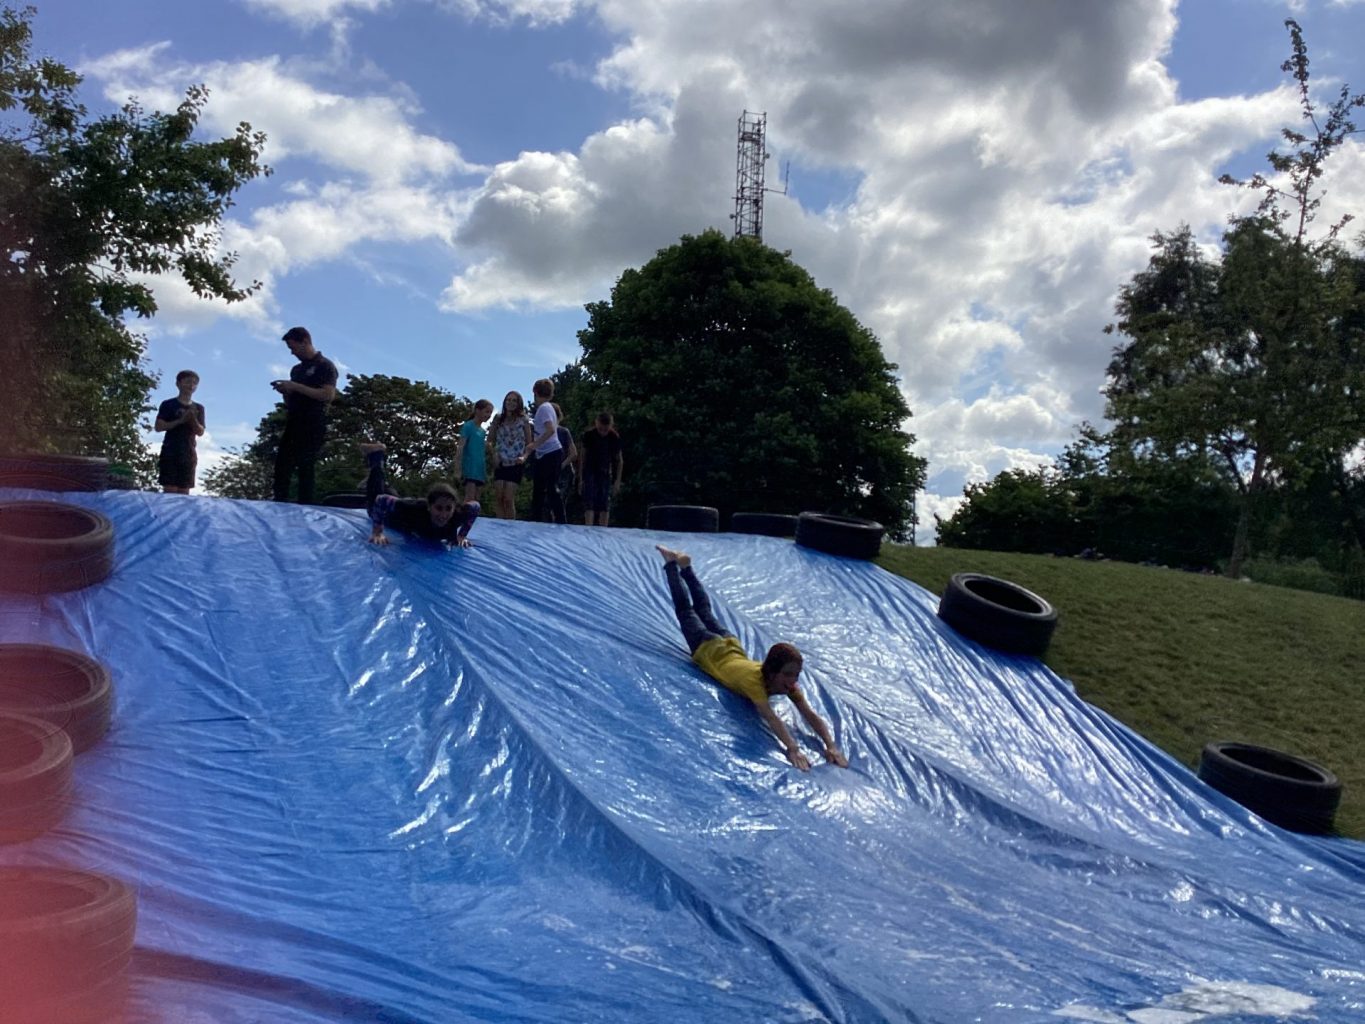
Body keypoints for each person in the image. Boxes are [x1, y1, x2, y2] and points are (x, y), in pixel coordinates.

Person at [655, 546, 848, 772]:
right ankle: (672, 564)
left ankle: (686, 568)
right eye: (787, 674)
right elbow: (771, 718)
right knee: (686, 610)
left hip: (730, 643)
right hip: (708, 647)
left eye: (796, 675)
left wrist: (831, 745)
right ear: (772, 672)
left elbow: (809, 714)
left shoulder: (787, 685)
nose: (792, 681)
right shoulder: (754, 683)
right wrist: (793, 749)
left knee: (704, 610)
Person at [359, 443, 478, 547]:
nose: (443, 515)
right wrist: (377, 532)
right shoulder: (415, 508)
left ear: (454, 507)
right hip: (390, 515)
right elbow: (381, 500)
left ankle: (379, 480)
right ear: (429, 507)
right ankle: (377, 455)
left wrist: (462, 535)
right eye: (438, 508)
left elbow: (475, 506)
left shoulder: (457, 515)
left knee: (384, 488)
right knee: (373, 504)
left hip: (402, 507)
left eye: (448, 509)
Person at [271, 326, 339, 504]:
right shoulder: (296, 370)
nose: (292, 353)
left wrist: (295, 386)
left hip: (313, 420)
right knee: (282, 463)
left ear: (306, 342)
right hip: (294, 419)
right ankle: (279, 501)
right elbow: (291, 401)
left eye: (293, 347)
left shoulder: (325, 366)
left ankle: (305, 504)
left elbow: (327, 395)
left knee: (305, 464)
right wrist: (286, 391)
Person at [154, 370, 206, 494]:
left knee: (184, 492)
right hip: (170, 451)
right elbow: (158, 427)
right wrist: (180, 420)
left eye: (194, 383)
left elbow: (200, 432)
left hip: (188, 453)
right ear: (178, 384)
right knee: (170, 490)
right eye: (188, 382)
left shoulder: (199, 408)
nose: (191, 386)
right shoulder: (168, 404)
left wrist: (192, 419)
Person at [524, 378, 565, 524]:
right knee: (539, 489)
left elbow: (550, 430)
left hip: (551, 452)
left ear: (535, 392)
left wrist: (534, 445)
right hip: (545, 453)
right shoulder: (548, 408)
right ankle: (536, 519)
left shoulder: (544, 408)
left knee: (550, 488)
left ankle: (560, 520)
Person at [489, 391, 532, 520]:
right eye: (508, 400)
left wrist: (524, 457)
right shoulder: (498, 419)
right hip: (501, 460)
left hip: (516, 461)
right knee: (499, 497)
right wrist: (494, 454)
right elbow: (490, 440)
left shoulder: (524, 420)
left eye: (514, 400)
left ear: (518, 403)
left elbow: (529, 443)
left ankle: (510, 526)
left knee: (508, 498)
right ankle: (500, 523)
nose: (511, 403)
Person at [578, 411, 623, 526]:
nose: (603, 432)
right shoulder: (588, 435)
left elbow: (619, 461)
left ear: (610, 426)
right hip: (590, 471)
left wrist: (617, 481)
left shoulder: (614, 437)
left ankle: (603, 530)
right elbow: (582, 457)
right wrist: (580, 478)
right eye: (600, 429)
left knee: (604, 504)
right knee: (589, 502)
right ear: (596, 423)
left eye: (605, 430)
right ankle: (589, 528)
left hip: (605, 472)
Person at [455, 399, 494, 502]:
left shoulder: (482, 431)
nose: (488, 415)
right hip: (470, 467)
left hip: (479, 468)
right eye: (487, 411)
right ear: (477, 410)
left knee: (476, 499)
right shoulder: (468, 426)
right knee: (469, 498)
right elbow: (460, 447)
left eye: (490, 413)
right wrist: (458, 469)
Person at [551, 403, 578, 512]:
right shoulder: (543, 432)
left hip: (564, 472)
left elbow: (574, 453)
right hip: (549, 471)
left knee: (559, 503)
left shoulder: (563, 432)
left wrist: (562, 465)